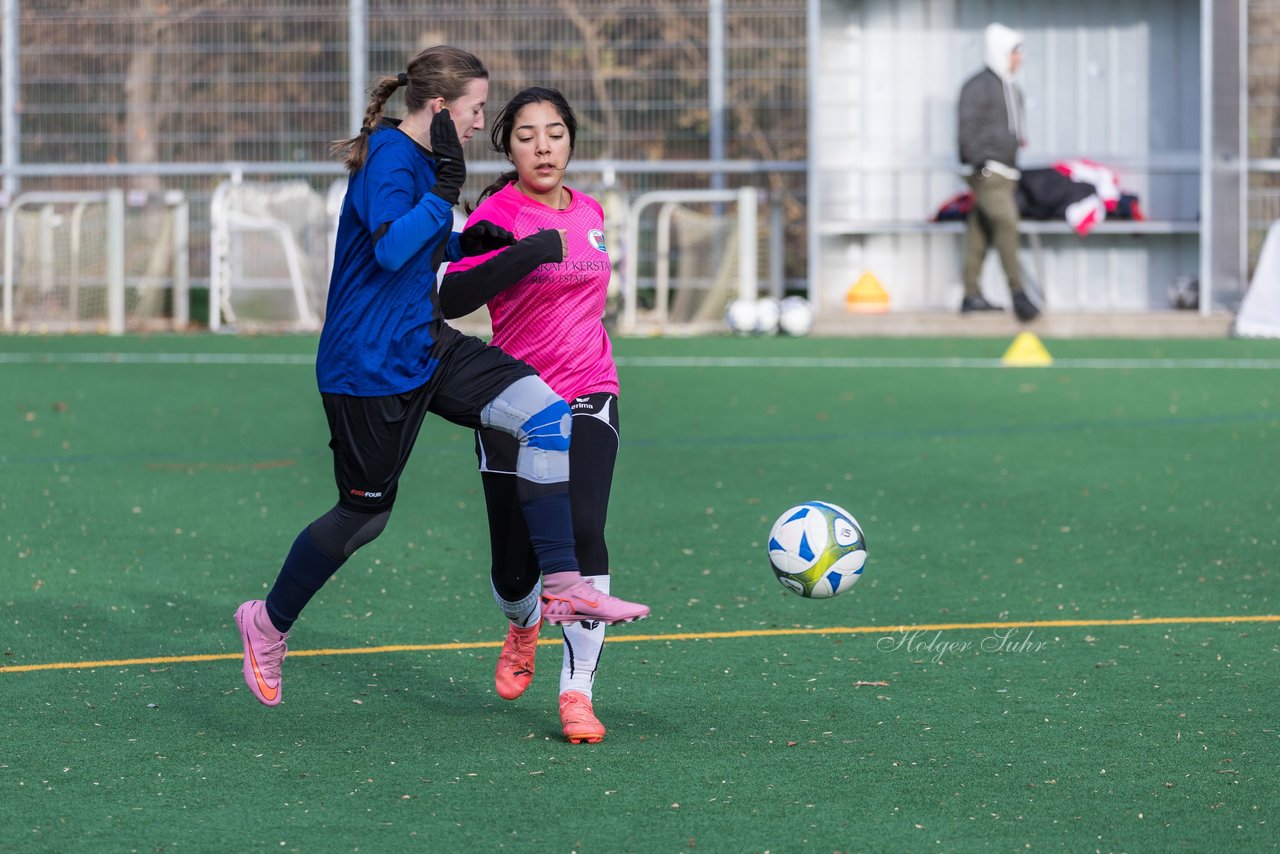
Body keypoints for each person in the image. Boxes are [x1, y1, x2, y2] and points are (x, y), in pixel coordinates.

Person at [233, 48, 646, 709]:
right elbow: (393, 245)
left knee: (544, 413)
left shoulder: (422, 160)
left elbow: (422, 248)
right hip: (368, 363)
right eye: (477, 110)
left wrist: (466, 245)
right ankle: (267, 621)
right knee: (363, 515)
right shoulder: (390, 157)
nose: (482, 123)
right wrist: (448, 193)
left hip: (425, 342)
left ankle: (564, 585)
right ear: (441, 110)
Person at [439, 87, 647, 744]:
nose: (543, 146)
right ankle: (522, 623)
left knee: (586, 528)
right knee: (511, 571)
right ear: (508, 146)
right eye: (526, 135)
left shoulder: (590, 211)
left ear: (571, 139)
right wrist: (516, 254)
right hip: (513, 399)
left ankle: (576, 691)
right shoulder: (495, 214)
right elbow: (449, 295)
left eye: (554, 133)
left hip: (590, 388)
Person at [957, 23, 1039, 322]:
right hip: (989, 173)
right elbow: (966, 129)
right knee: (1006, 224)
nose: (1020, 58)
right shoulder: (977, 86)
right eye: (1016, 52)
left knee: (980, 231)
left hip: (1007, 174)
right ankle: (1019, 294)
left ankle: (971, 294)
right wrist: (978, 161)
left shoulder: (1011, 88)